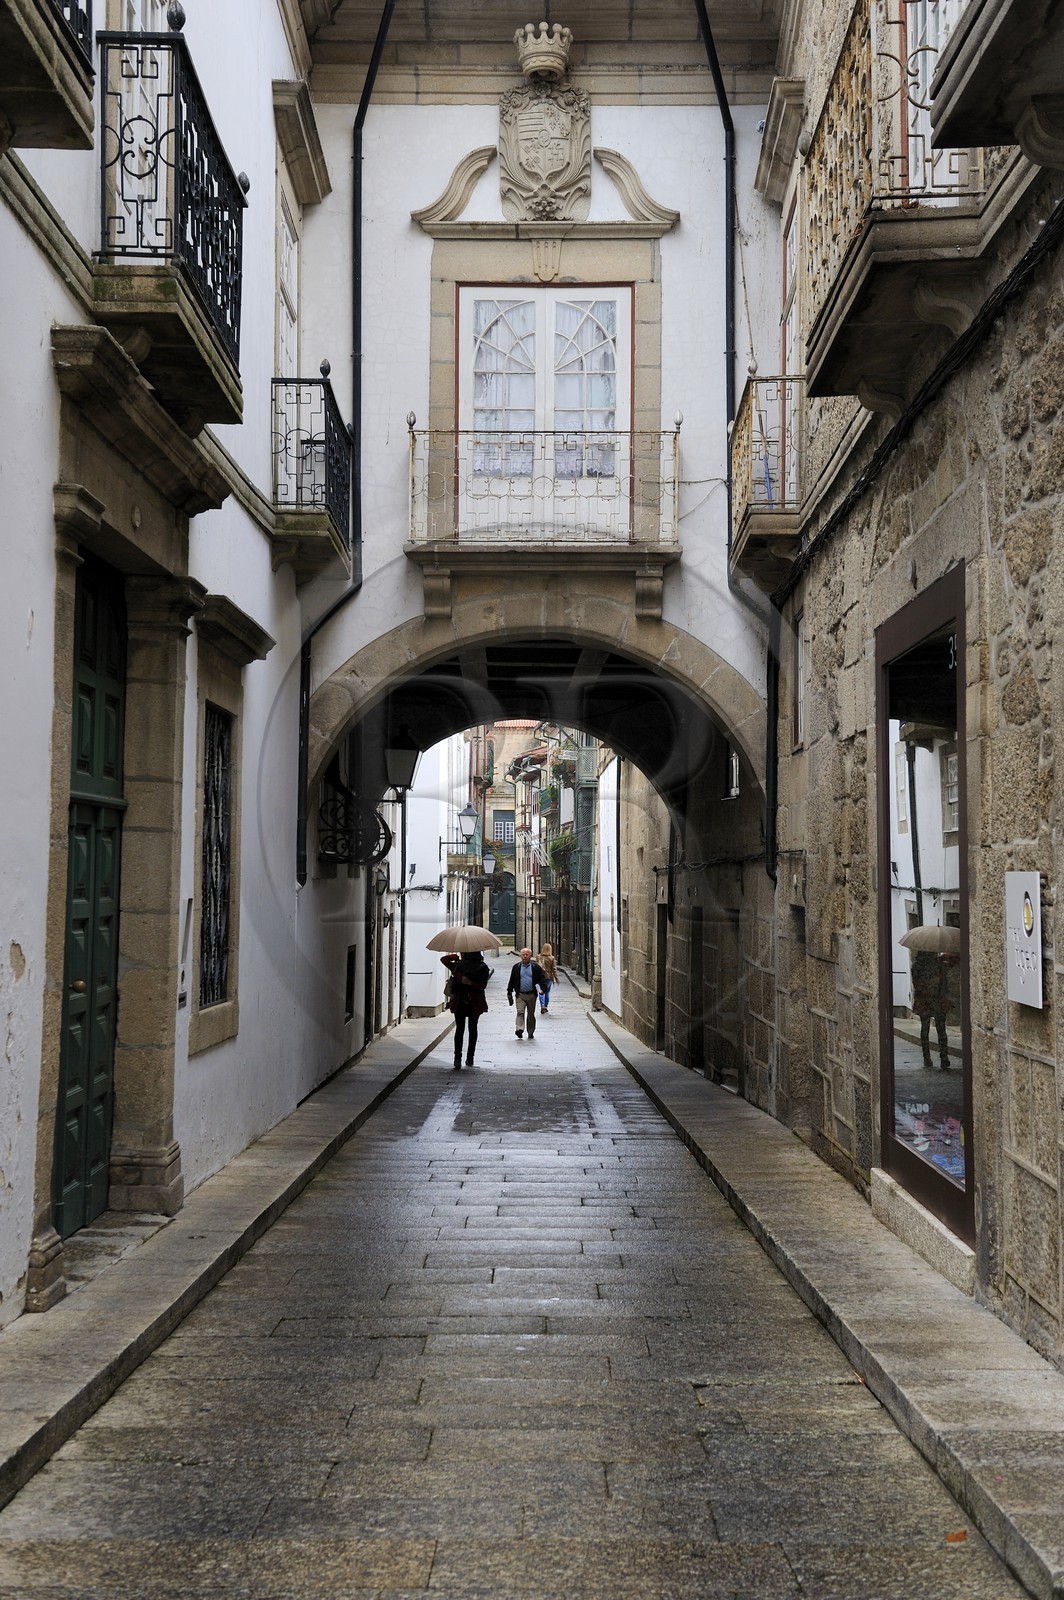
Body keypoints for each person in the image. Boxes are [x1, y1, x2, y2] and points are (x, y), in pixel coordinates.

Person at [440, 949, 491, 1070]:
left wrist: (455, 957)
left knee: (460, 1029)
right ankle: (470, 1057)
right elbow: (483, 986)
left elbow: (444, 959)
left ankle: (457, 1057)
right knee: (472, 1029)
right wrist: (472, 984)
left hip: (461, 1000)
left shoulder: (458, 967)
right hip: (475, 1002)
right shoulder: (483, 967)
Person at [910, 950, 955, 1070]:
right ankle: (944, 1057)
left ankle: (927, 1058)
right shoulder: (939, 964)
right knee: (941, 1030)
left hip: (924, 1000)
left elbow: (917, 984)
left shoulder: (917, 966)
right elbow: (945, 978)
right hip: (937, 1000)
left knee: (925, 1029)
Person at [506, 947, 547, 1039]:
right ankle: (519, 1029)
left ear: (530, 956)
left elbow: (542, 979)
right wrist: (509, 992)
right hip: (520, 994)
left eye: (527, 954)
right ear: (520, 956)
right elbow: (512, 980)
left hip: (532, 995)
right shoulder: (516, 967)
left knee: (531, 1014)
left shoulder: (536, 967)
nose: (525, 956)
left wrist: (543, 989)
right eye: (523, 954)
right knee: (520, 1012)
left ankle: (530, 1031)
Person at [536, 941, 559, 1014]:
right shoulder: (552, 958)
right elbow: (554, 969)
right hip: (549, 977)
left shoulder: (538, 957)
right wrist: (556, 978)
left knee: (541, 991)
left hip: (540, 977)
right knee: (547, 992)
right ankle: (545, 1006)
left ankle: (542, 1005)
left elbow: (536, 967)